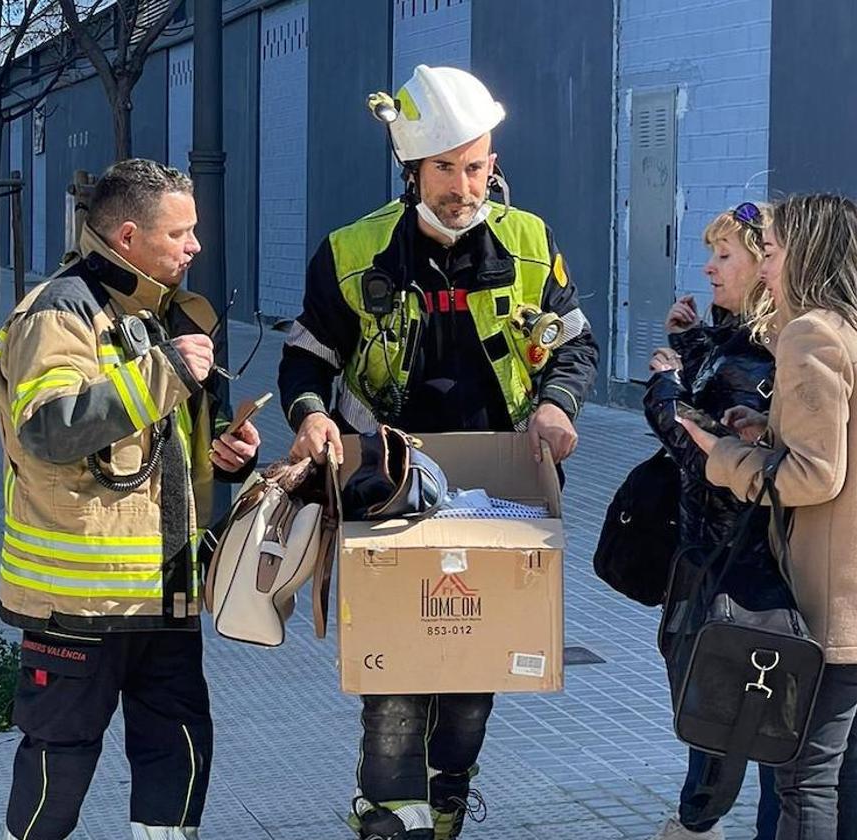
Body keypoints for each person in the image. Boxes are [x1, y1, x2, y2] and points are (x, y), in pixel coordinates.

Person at [278, 65, 599, 840]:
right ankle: (389, 813)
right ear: (413, 170)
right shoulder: (352, 255)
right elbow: (306, 356)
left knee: (472, 671)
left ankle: (447, 798)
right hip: (386, 483)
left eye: (477, 164)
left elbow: (573, 346)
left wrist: (557, 404)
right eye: (447, 168)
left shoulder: (529, 243)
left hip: (497, 481)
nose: (465, 184)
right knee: (395, 670)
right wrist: (312, 414)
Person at [0, 159, 261, 840]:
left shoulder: (172, 311)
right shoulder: (58, 312)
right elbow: (48, 427)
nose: (195, 246)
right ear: (131, 235)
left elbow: (170, 446)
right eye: (181, 233)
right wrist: (164, 371)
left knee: (178, 749)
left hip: (166, 591)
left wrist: (230, 456)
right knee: (62, 757)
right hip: (76, 600)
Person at [679, 194, 857, 840]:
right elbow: (844, 447)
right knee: (837, 767)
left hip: (833, 594)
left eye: (775, 250)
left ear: (809, 252)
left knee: (803, 776)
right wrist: (765, 428)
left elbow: (815, 476)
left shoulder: (810, 333)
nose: (765, 267)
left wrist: (722, 454)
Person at [642, 202, 781, 840]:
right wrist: (693, 339)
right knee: (708, 692)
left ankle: (698, 822)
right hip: (707, 551)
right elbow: (722, 384)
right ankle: (703, 816)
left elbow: (695, 441)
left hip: (730, 557)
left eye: (725, 256)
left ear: (763, 266)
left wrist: (665, 387)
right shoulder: (736, 338)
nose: (709, 266)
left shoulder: (767, 352)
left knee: (717, 701)